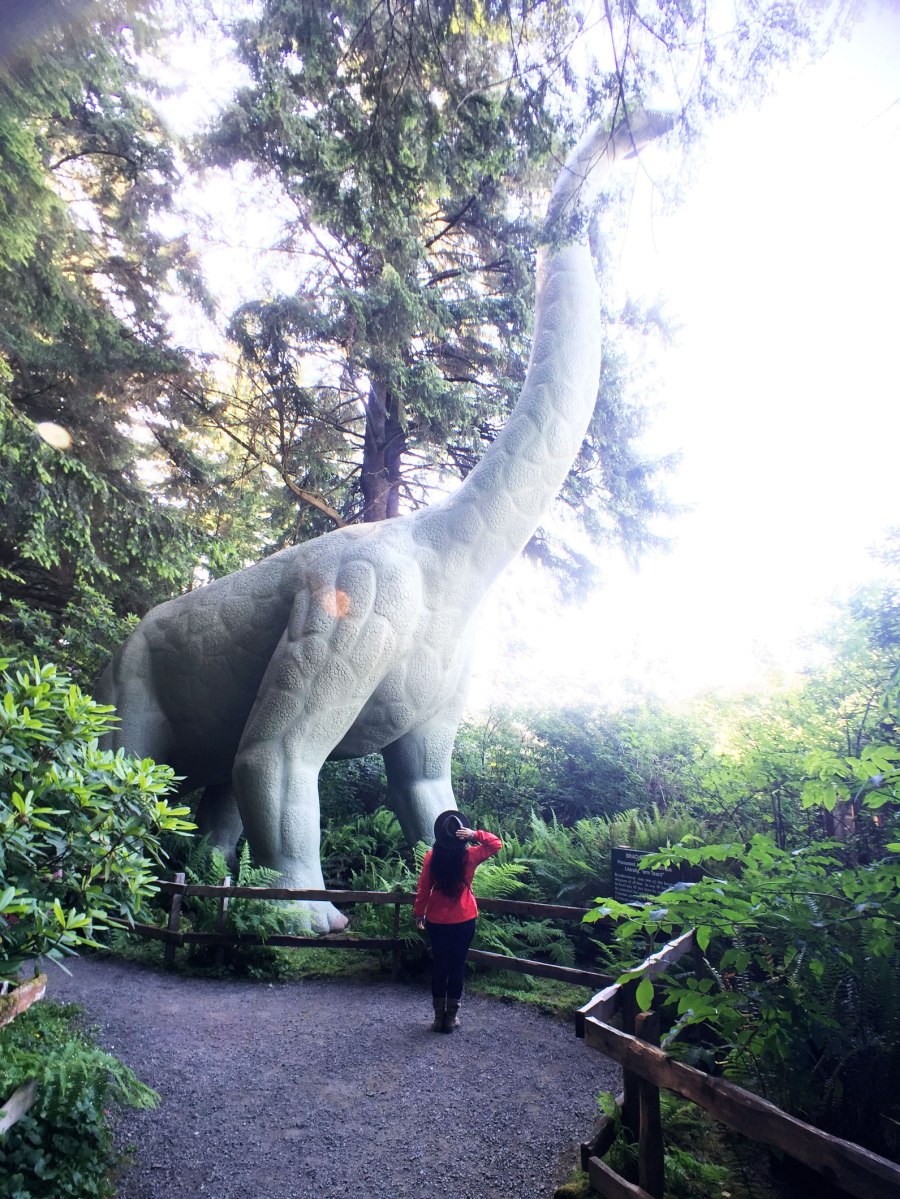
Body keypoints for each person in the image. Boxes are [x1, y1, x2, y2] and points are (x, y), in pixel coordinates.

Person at [413, 810, 502, 1033]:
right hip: (464, 918)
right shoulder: (470, 856)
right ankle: (451, 1019)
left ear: (440, 835)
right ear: (460, 835)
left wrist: (419, 913)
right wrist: (474, 834)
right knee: (457, 966)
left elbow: (423, 888)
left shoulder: (431, 857)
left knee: (440, 966)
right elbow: (496, 844)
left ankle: (437, 1018)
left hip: (437, 919)